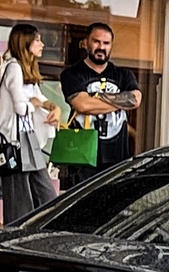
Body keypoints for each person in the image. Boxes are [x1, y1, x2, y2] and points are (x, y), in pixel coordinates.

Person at [58, 22, 141, 180]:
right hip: (82, 158)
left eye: (106, 43)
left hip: (117, 158)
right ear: (86, 43)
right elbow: (82, 104)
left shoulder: (124, 75)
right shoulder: (72, 74)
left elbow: (134, 100)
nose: (101, 47)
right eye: (96, 41)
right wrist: (119, 101)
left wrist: (94, 99)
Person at [0, 22, 58, 225]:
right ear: (25, 42)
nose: (42, 44)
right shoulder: (13, 67)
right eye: (37, 40)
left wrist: (51, 106)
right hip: (15, 143)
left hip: (29, 142)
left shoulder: (26, 69)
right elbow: (21, 107)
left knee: (47, 198)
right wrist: (34, 104)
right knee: (19, 206)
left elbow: (38, 98)